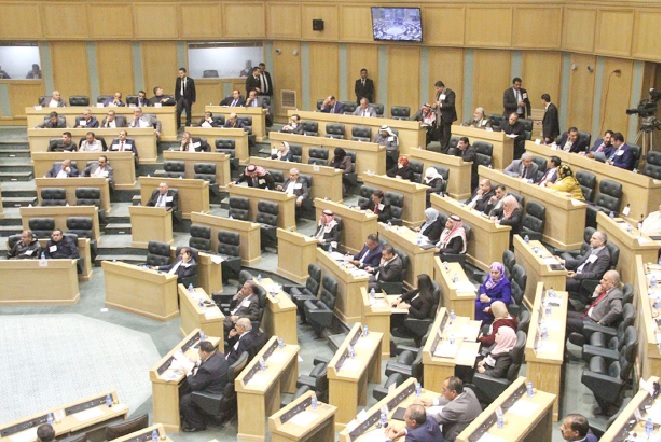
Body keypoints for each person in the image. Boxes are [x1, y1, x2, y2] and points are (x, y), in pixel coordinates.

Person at [179, 341, 229, 432]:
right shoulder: (219, 355)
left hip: (212, 392)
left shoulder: (206, 369)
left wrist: (189, 373)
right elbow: (210, 364)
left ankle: (197, 425)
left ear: (204, 353)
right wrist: (198, 362)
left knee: (185, 400)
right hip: (220, 385)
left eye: (199, 352)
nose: (198, 354)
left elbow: (195, 386)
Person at [555, 231, 611, 303]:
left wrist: (576, 275)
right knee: (556, 275)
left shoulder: (604, 256)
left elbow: (595, 274)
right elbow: (580, 262)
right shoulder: (593, 249)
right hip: (576, 273)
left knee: (558, 281)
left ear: (601, 242)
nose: (590, 240)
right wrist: (563, 261)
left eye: (594, 238)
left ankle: (564, 305)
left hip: (582, 280)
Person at [422, 377, 482, 442]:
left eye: (444, 389)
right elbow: (453, 398)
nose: (441, 391)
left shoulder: (453, 409)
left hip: (453, 439)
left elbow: (434, 419)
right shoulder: (468, 391)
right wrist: (433, 401)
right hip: (472, 432)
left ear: (453, 392)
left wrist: (420, 410)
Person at [566, 270, 623, 335]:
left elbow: (617, 311)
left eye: (605, 280)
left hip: (592, 322)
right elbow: (594, 304)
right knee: (563, 313)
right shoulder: (607, 291)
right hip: (587, 315)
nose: (601, 281)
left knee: (565, 322)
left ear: (612, 283)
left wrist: (602, 322)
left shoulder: (615, 294)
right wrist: (596, 293)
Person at [432, 80, 457, 151]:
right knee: (440, 134)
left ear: (442, 87)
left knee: (446, 135)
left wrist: (440, 104)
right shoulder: (439, 94)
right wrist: (435, 106)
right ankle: (442, 148)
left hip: (447, 117)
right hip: (439, 118)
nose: (437, 90)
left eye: (438, 88)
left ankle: (445, 150)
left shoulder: (450, 93)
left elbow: (451, 104)